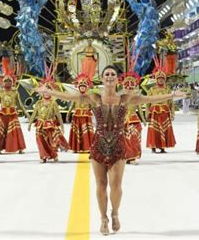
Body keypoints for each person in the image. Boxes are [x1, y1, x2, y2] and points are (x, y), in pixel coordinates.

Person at [36, 64, 186, 235]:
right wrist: (49, 92)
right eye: (106, 74)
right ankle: (103, 219)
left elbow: (149, 100)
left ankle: (115, 213)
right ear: (102, 77)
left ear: (117, 78)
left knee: (116, 185)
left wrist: (173, 95)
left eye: (112, 74)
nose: (109, 76)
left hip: (118, 145)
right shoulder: (94, 97)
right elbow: (71, 97)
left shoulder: (126, 98)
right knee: (100, 185)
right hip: (98, 145)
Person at [0, 58, 29, 154]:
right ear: (3, 82)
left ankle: (19, 148)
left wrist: (27, 113)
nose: (8, 83)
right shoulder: (1, 92)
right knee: (1, 132)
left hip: (13, 114)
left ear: (12, 82)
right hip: (3, 115)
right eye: (6, 81)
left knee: (15, 131)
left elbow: (20, 104)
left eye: (9, 81)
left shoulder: (15, 92)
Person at [28, 63, 69, 163]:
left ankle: (53, 155)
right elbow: (34, 114)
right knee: (39, 139)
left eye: (48, 90)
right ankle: (43, 156)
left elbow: (58, 115)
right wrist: (29, 124)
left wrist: (62, 126)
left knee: (51, 141)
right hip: (40, 125)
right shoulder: (39, 103)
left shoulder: (53, 103)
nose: (46, 92)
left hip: (51, 125)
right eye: (44, 91)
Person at [120, 49, 146, 165]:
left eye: (131, 86)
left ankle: (133, 156)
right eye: (127, 85)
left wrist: (144, 119)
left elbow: (139, 108)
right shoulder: (120, 97)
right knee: (125, 139)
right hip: (123, 121)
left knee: (134, 138)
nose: (129, 87)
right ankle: (127, 157)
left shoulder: (136, 97)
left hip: (135, 120)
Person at [146, 56, 176, 153]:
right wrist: (147, 113)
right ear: (156, 79)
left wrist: (172, 113)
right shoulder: (151, 90)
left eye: (162, 79)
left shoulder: (167, 89)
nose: (161, 80)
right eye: (159, 79)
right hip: (154, 113)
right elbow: (147, 102)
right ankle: (153, 147)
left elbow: (171, 102)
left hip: (164, 113)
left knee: (164, 129)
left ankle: (162, 147)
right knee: (154, 130)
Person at [66, 72, 94, 153]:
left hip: (86, 117)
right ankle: (75, 147)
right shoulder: (75, 96)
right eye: (81, 87)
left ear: (86, 88)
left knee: (87, 132)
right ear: (78, 87)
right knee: (77, 131)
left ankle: (88, 147)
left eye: (83, 87)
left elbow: (93, 106)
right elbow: (71, 106)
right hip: (77, 117)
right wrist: (68, 114)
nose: (82, 88)